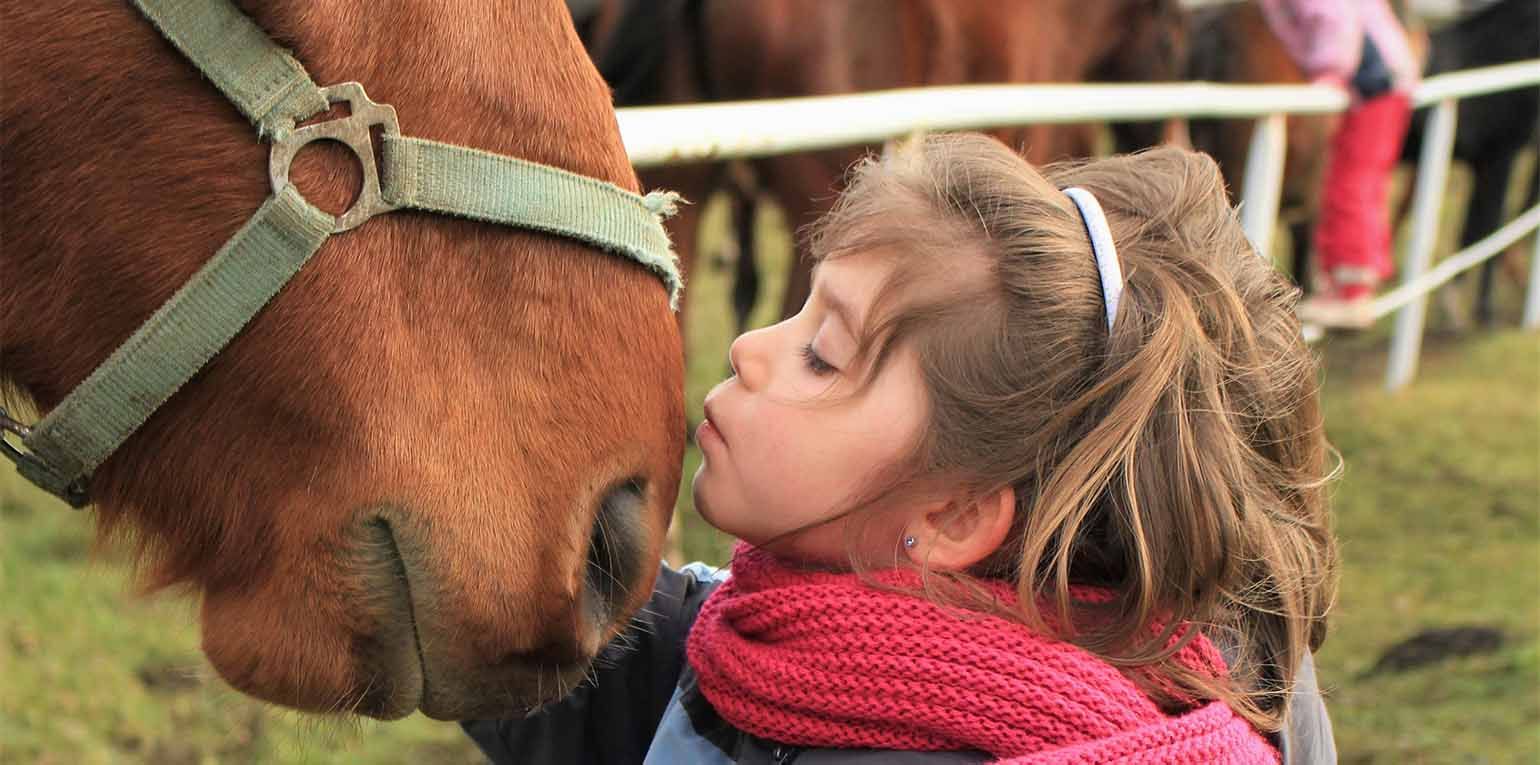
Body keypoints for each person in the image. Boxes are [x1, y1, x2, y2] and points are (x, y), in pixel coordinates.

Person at [464, 134, 1340, 763]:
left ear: (955, 515)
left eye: (823, 353)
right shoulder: (751, 645)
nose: (747, 348)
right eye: (801, 308)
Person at [1259, 0, 1421, 326]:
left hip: (1372, 84)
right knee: (1362, 184)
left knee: (1350, 187)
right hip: (1381, 84)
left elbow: (1334, 18)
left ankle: (1352, 294)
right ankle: (1350, 283)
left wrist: (1329, 73)